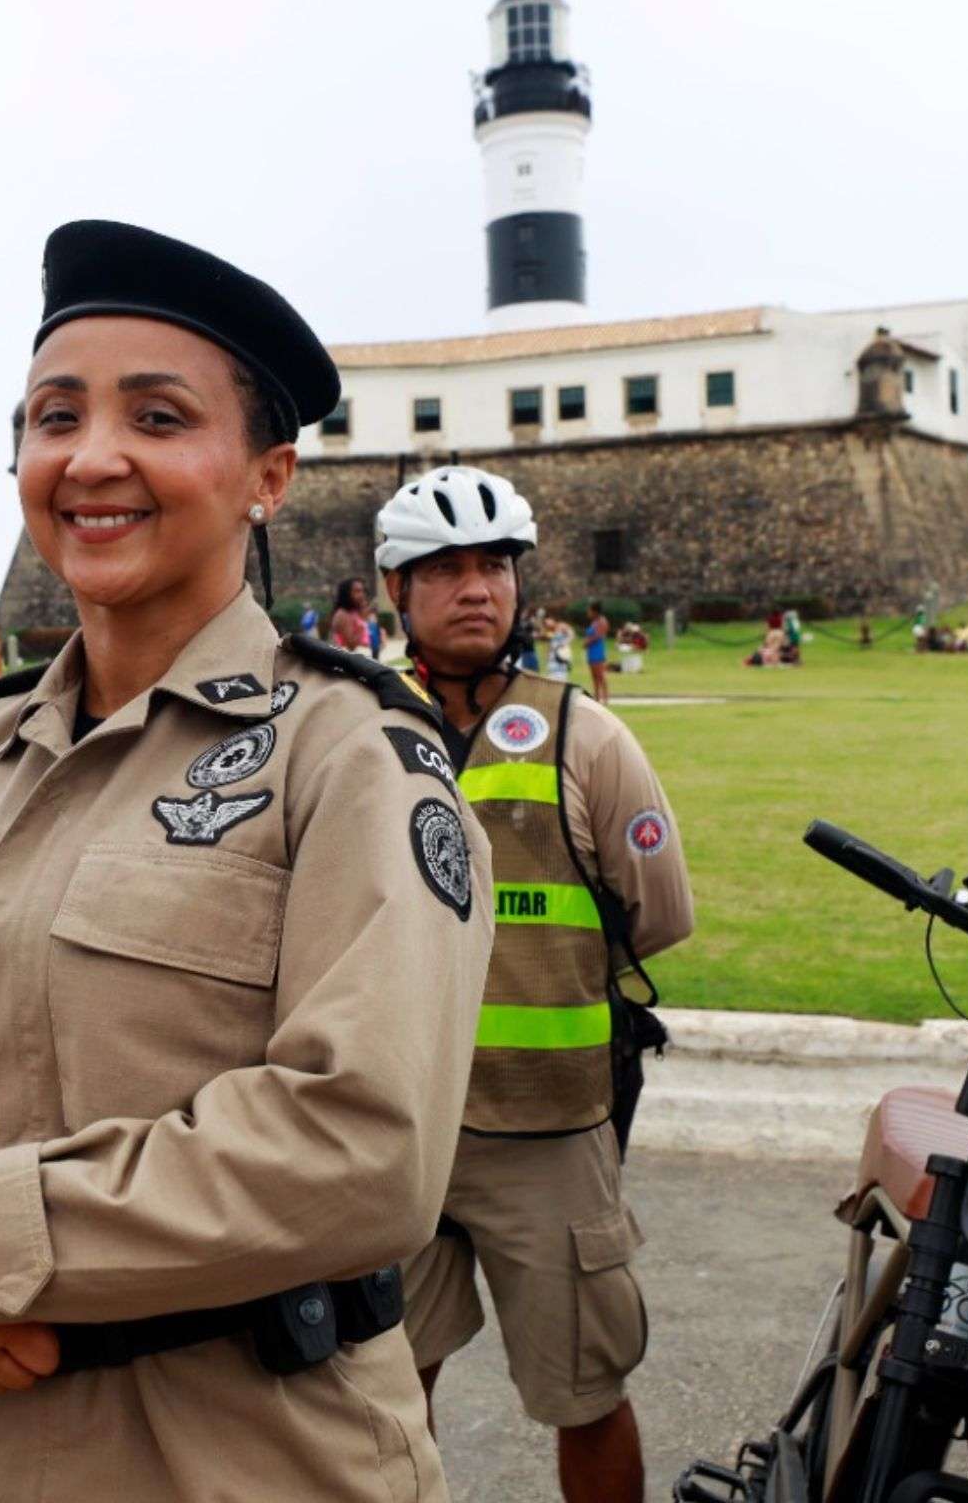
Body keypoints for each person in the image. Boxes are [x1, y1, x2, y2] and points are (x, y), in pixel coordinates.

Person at [0, 219, 494, 1502]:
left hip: (249, 1458)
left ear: (268, 476)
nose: (92, 457)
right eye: (56, 417)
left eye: (158, 418)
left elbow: (362, 1143)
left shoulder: (348, 755)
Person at [374, 467, 693, 1503]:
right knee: (380, 1392)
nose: (477, 589)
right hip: (391, 1128)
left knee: (586, 1391)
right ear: (396, 589)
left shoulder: (586, 734)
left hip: (549, 1129)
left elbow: (658, 912)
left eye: (495, 566)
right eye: (445, 570)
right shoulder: (354, 725)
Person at [328, 574, 376, 652]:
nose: (362, 595)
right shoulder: (342, 614)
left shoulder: (354, 612)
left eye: (362, 591)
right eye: (357, 591)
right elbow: (351, 646)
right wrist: (363, 620)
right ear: (346, 593)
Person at [582, 602, 612, 705]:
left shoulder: (602, 621)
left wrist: (587, 642)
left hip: (598, 651)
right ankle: (597, 697)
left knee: (601, 676)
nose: (588, 613)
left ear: (595, 611)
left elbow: (599, 635)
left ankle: (605, 698)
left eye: (589, 610)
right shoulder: (594, 622)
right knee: (594, 676)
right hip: (591, 651)